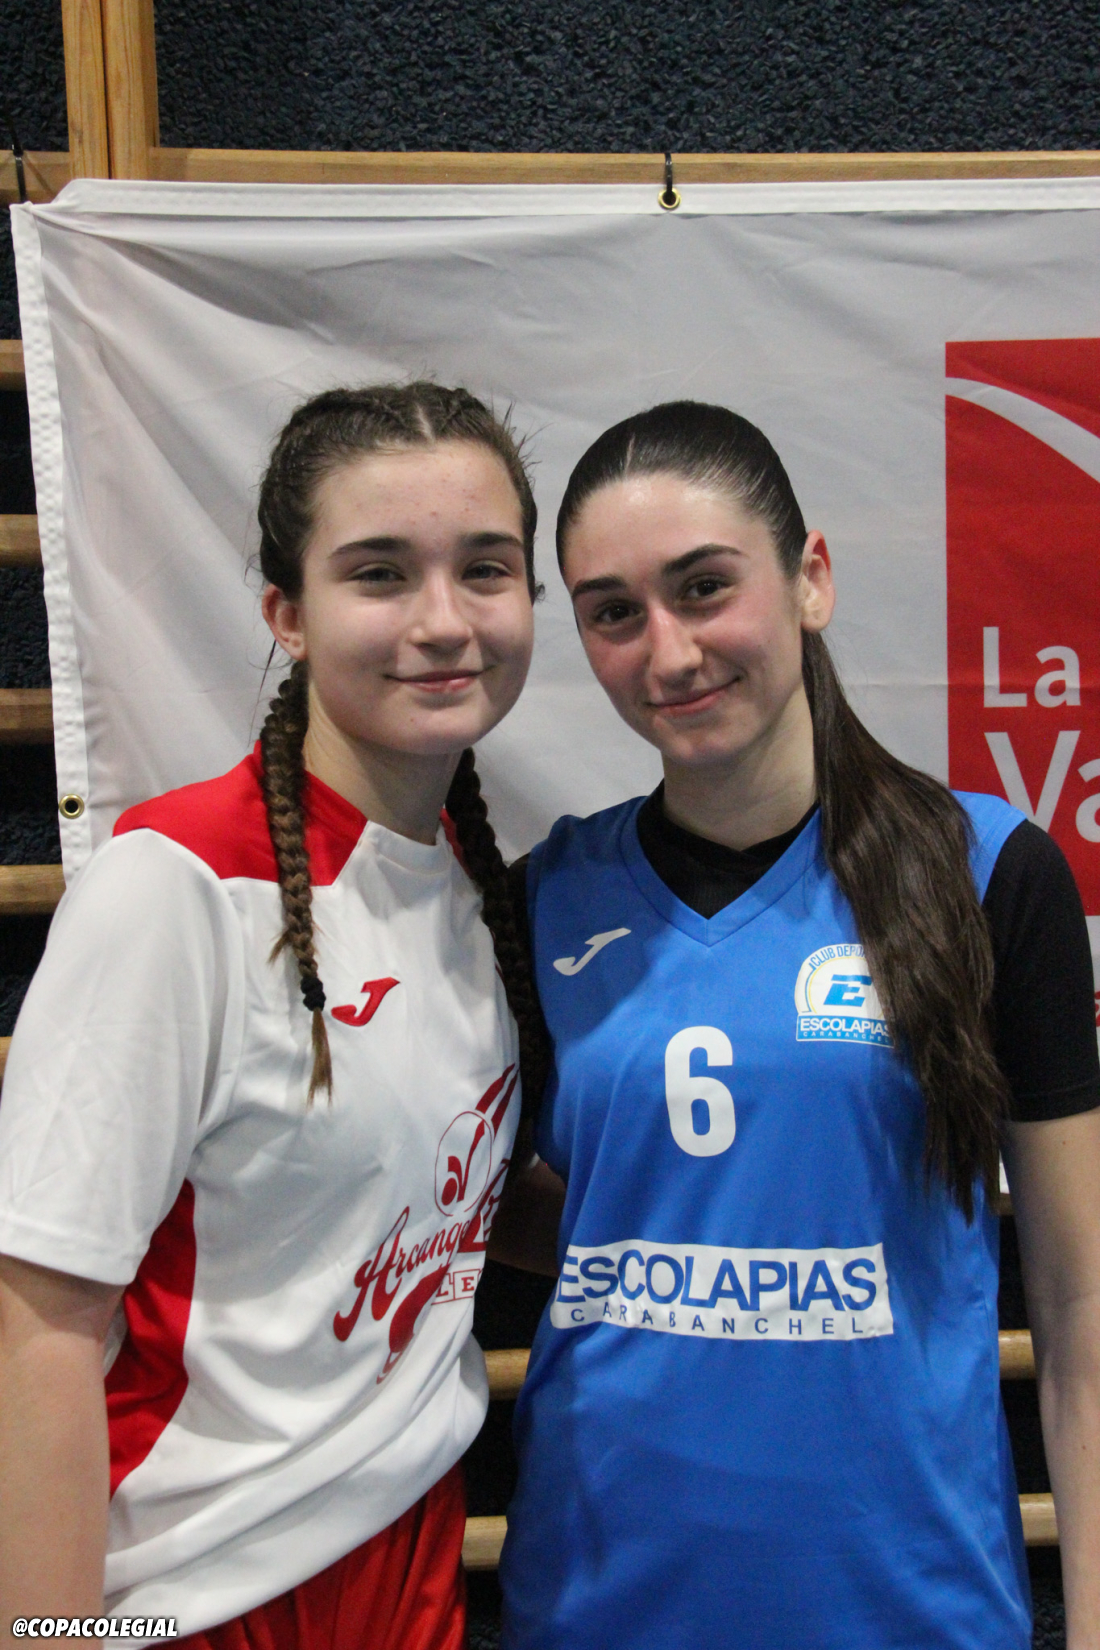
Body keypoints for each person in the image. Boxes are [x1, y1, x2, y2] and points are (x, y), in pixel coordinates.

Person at [498, 401, 1100, 1649]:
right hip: (598, 1601)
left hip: (909, 1607)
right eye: (613, 612)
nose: (668, 652)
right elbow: (469, 1203)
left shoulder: (989, 873)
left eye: (702, 587)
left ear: (809, 578)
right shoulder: (541, 899)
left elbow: (1078, 1307)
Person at [0, 382, 547, 1649]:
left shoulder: (479, 896)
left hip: (411, 1569)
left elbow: (422, 1202)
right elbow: (39, 1330)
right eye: (379, 573)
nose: (442, 621)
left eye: (483, 568)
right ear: (286, 614)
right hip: (187, 1597)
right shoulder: (175, 887)